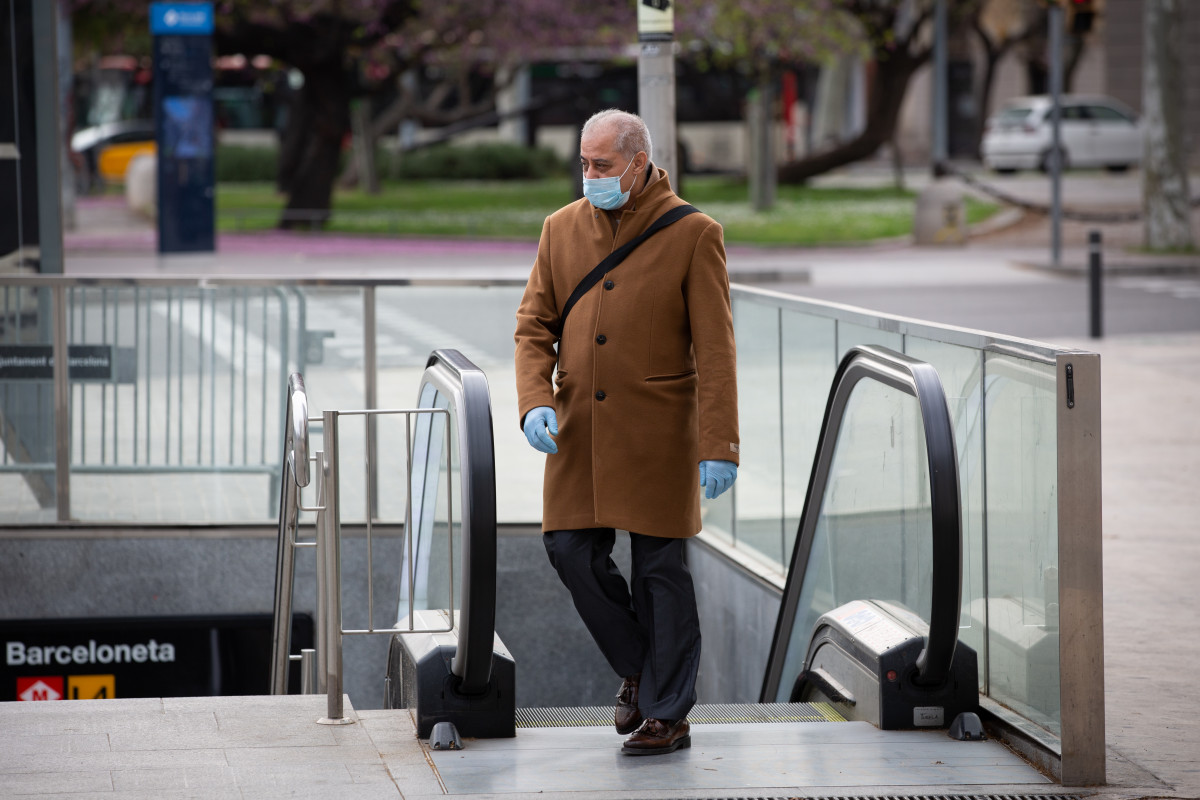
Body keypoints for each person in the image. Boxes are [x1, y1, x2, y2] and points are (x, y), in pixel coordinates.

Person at [514, 109, 739, 756]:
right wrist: (534, 400)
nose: (590, 176)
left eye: (603, 166)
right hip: (579, 429)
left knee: (660, 572)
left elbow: (717, 352)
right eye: (584, 163)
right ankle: (641, 668)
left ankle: (668, 714)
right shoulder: (560, 229)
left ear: (638, 164)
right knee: (568, 549)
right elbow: (534, 327)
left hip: (660, 435)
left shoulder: (696, 234)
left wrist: (718, 445)